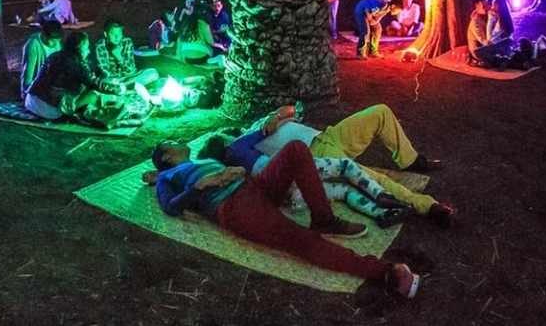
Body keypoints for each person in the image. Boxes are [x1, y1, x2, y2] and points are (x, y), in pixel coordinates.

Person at [152, 140, 422, 299]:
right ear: (166, 156)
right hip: (234, 205)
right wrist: (198, 187)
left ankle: (323, 218)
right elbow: (170, 207)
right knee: (300, 239)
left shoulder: (200, 159)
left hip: (253, 186)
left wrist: (234, 170)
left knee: (295, 149)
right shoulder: (165, 177)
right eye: (172, 143)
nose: (179, 142)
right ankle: (383, 272)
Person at [199, 115, 412, 228]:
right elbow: (266, 130)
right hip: (284, 174)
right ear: (225, 141)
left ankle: (383, 215)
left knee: (342, 191)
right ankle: (381, 197)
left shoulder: (227, 171)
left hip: (286, 198)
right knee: (346, 167)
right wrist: (278, 119)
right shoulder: (236, 145)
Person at [93, 19, 156, 91]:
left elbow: (131, 70)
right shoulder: (100, 46)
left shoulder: (127, 42)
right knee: (103, 82)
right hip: (114, 80)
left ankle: (123, 88)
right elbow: (105, 72)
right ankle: (127, 87)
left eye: (119, 34)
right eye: (113, 34)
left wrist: (119, 57)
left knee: (152, 73)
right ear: (106, 34)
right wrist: (117, 79)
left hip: (129, 77)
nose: (116, 37)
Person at [20, 20, 64, 97]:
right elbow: (28, 72)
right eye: (52, 40)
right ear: (43, 34)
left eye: (57, 40)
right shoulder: (33, 45)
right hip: (38, 86)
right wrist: (25, 93)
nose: (54, 43)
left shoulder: (57, 43)